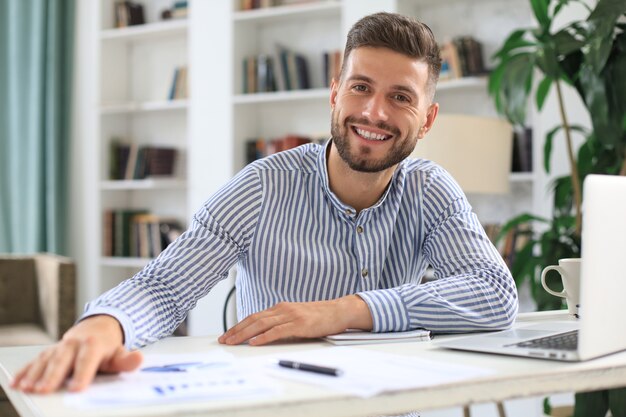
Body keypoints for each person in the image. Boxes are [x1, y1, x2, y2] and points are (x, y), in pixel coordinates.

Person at [12, 12, 518, 395]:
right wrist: (106, 325)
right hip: (279, 401)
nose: (373, 111)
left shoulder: (431, 189)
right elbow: (164, 287)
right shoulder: (262, 186)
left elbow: (495, 294)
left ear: (427, 120)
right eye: (360, 88)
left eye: (400, 98)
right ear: (335, 94)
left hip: (388, 400)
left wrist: (345, 311)